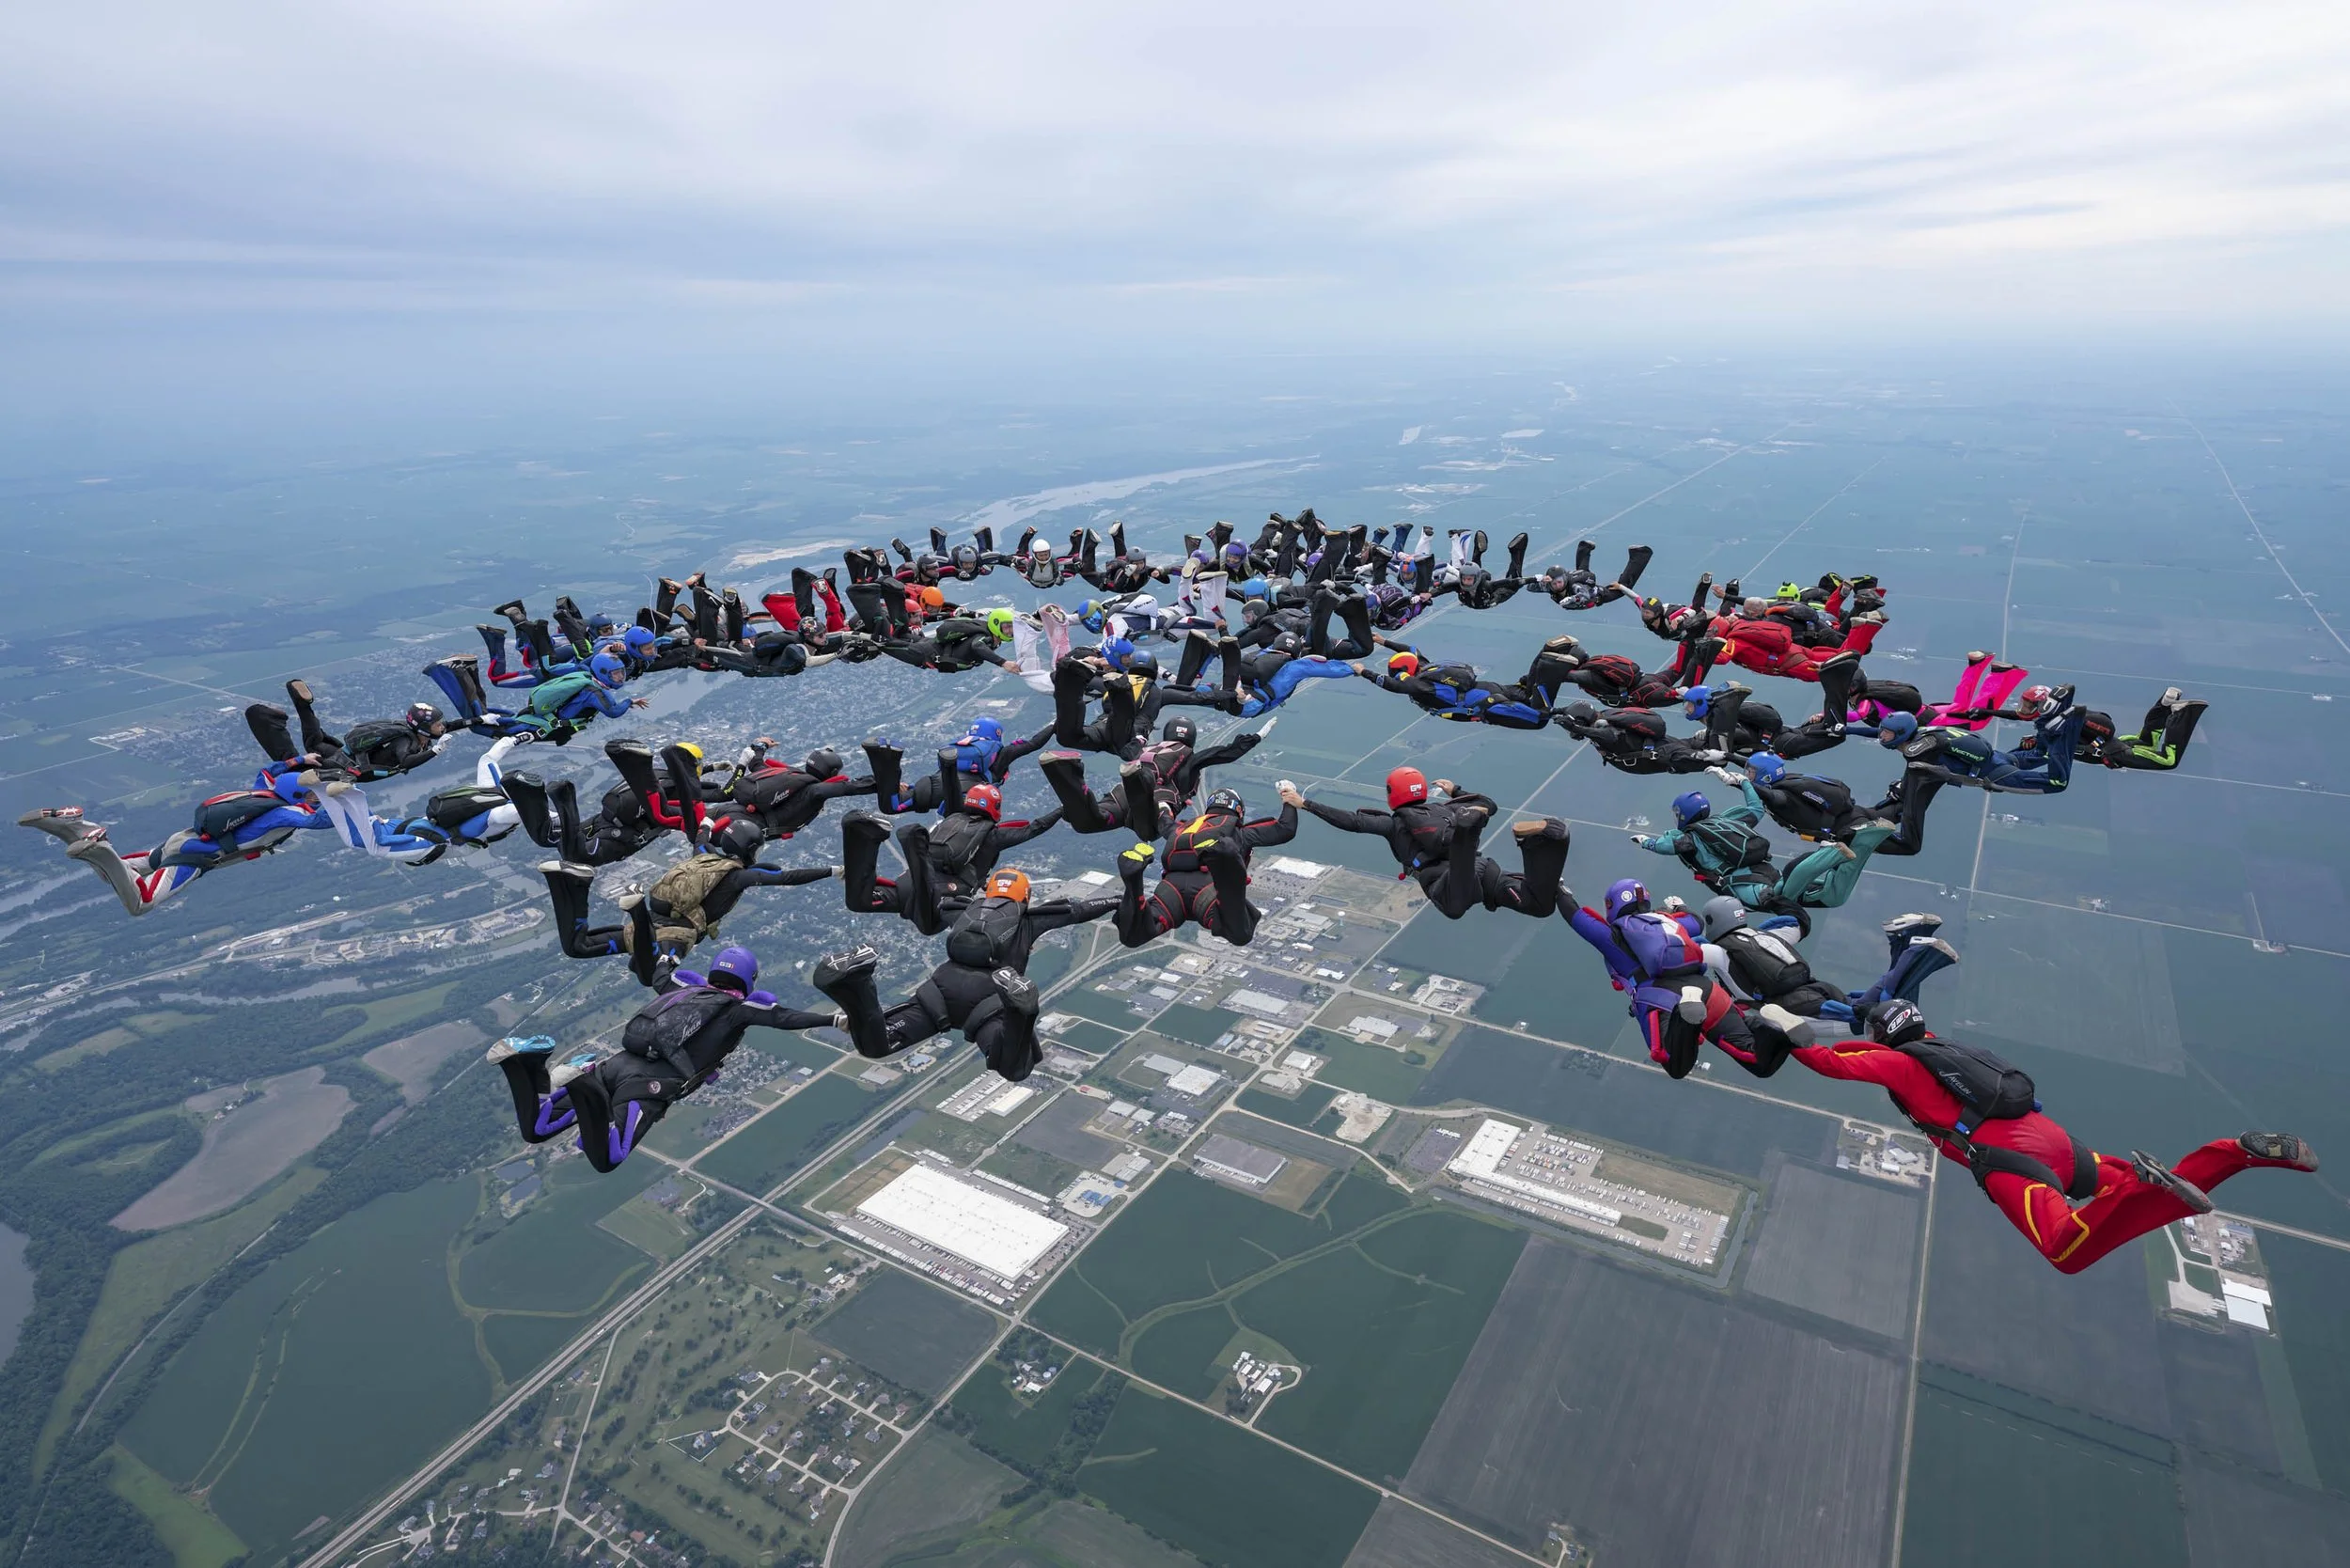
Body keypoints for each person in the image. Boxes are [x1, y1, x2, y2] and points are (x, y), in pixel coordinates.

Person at [1791, 1000, 2319, 1274]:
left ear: (1884, 1037)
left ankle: (2147, 1185)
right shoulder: (1942, 1047)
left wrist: (1784, 1031)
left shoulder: (1901, 1063)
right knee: (2151, 1191)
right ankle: (2234, 1154)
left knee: (2066, 1250)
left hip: (2010, 1160)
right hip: (2055, 1142)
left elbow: (1831, 1064)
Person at [490, 947, 836, 1172]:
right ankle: (580, 1080)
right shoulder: (737, 1010)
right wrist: (834, 1020)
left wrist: (668, 955)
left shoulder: (682, 990)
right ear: (748, 981)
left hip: (616, 1063)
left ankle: (529, 1061)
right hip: (650, 1086)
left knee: (537, 1129)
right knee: (608, 1157)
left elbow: (657, 972)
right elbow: (785, 1018)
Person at [812, 868, 1121, 1082]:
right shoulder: (1028, 919)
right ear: (1024, 897)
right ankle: (1021, 1010)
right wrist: (1120, 900)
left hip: (939, 993)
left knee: (876, 1045)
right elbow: (1080, 910)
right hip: (988, 1002)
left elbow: (927, 901)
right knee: (1015, 1068)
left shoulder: (966, 909)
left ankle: (855, 987)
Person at [19, 760, 336, 915]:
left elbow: (271, 769)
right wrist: (343, 793)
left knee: (115, 877)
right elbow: (323, 821)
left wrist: (300, 762)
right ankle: (97, 846)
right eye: (311, 795)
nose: (315, 799)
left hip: (181, 840)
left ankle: (72, 826)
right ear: (297, 796)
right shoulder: (285, 813)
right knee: (140, 903)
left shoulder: (263, 789)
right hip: (195, 857)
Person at [542, 819, 838, 983]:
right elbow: (786, 878)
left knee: (577, 947)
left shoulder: (704, 855)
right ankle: (635, 911)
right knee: (652, 978)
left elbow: (701, 835)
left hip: (655, 922)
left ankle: (576, 884)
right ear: (749, 851)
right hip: (675, 936)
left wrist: (709, 821)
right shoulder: (736, 877)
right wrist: (833, 870)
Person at [1563, 878, 1783, 1078]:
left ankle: (1687, 1019)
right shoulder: (1665, 920)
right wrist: (1679, 908)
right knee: (1759, 1062)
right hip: (1708, 989)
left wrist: (1557, 889)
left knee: (1675, 1064)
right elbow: (1696, 921)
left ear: (1612, 905)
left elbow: (1575, 916)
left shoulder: (1613, 936)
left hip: (1662, 997)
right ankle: (1773, 1029)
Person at [1288, 767, 1570, 919]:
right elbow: (1489, 805)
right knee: (1539, 906)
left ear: (1392, 794)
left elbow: (1351, 821)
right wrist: (1457, 791)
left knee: (1454, 909)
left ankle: (1467, 833)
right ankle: (1541, 842)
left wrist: (1305, 804)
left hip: (1451, 879)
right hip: (1483, 872)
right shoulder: (1445, 809)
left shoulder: (1393, 823)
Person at [1697, 900, 1958, 1057]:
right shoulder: (1761, 938)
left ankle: (1914, 950)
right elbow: (1793, 923)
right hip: (1815, 987)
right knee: (1869, 1008)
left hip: (1790, 1008)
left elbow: (1688, 950)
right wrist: (1756, 927)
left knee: (1872, 1019)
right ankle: (1903, 941)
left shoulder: (1720, 951)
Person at [842, 784, 1063, 933]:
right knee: (930, 926)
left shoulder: (952, 819)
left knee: (859, 902)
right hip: (943, 891)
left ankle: (863, 838)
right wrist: (1063, 809)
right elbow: (1034, 828)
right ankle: (913, 843)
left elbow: (950, 787)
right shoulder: (992, 835)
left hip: (907, 883)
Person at [1115, 786, 1298, 947]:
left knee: (1134, 936)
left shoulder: (1182, 828)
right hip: (1208, 889)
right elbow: (1285, 829)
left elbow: (1164, 820)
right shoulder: (1239, 832)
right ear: (1239, 811)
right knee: (1241, 934)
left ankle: (1133, 885)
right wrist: (1288, 797)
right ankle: (1225, 862)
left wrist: (1163, 803)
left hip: (1171, 890)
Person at [1041, 717, 1261, 838]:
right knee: (1148, 833)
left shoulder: (1149, 750)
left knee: (1088, 822)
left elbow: (1123, 749)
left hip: (1121, 796)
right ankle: (1138, 784)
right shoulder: (1191, 759)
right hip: (1152, 805)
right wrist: (1252, 740)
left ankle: (1065, 770)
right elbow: (1221, 754)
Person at [245, 678, 448, 782]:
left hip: (346, 754)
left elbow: (450, 726)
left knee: (314, 743)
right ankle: (266, 720)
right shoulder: (406, 742)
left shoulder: (410, 731)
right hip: (341, 767)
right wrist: (434, 752)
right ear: (423, 728)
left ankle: (302, 703)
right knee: (292, 768)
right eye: (437, 725)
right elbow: (406, 762)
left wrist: (476, 720)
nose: (442, 727)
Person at [1355, 644, 1553, 729]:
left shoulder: (1420, 685)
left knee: (1539, 719)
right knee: (1530, 692)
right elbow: (1411, 650)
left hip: (1489, 705)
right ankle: (1547, 657)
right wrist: (1384, 642)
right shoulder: (1427, 668)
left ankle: (1565, 711)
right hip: (1490, 688)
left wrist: (1365, 672)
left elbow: (1394, 686)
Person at [1535, 541, 1653, 611]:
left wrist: (1572, 599)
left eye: (1559, 581)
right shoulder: (1550, 587)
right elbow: (1531, 587)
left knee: (1624, 587)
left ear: (1565, 578)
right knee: (1582, 571)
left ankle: (1641, 554)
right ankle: (1584, 547)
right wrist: (1532, 580)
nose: (1557, 585)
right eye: (1554, 583)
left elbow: (1584, 595)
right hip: (1585, 583)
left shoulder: (1576, 586)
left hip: (1599, 594)